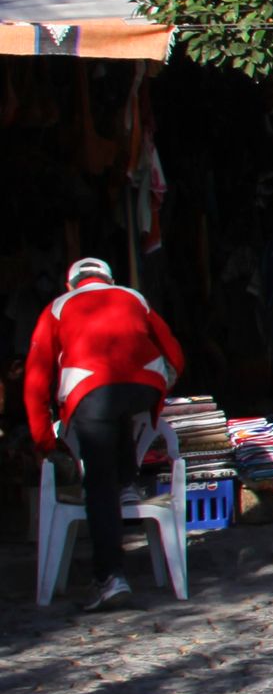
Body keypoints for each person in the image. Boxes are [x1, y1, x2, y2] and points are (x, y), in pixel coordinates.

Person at [23, 257, 186, 612]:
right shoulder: (133, 297)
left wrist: (44, 442)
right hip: (142, 386)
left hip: (90, 392)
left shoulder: (58, 306)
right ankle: (128, 482)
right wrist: (160, 390)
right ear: (110, 281)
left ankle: (111, 578)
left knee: (98, 486)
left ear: (71, 285)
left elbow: (35, 379)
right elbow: (174, 352)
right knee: (124, 412)